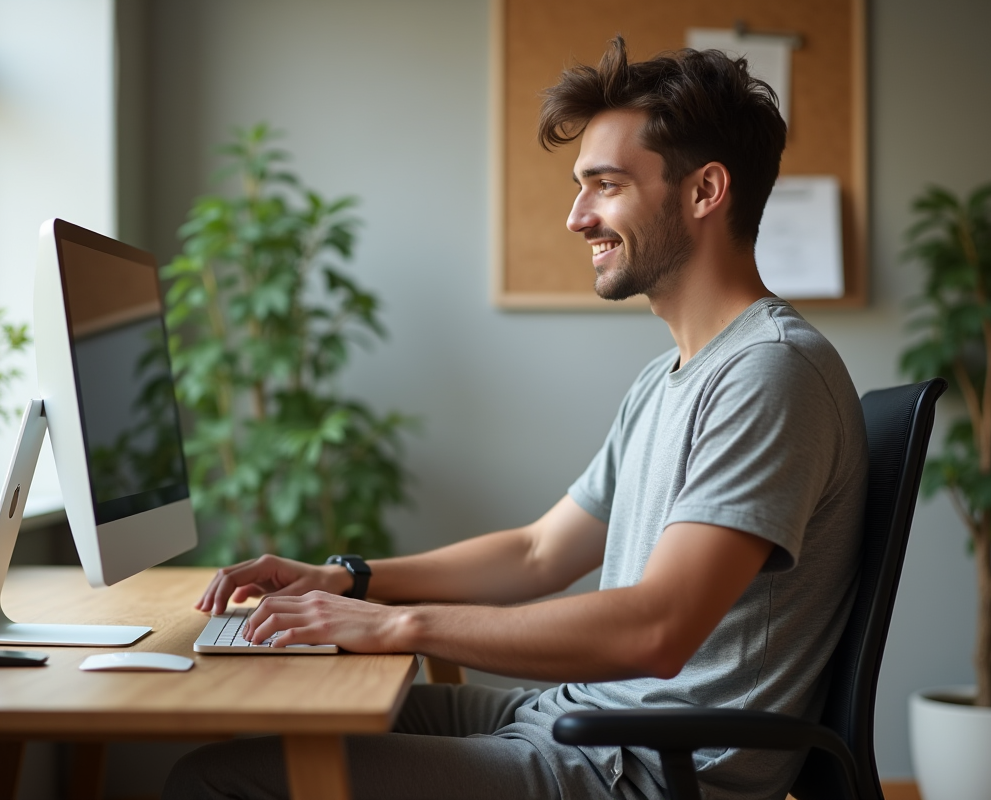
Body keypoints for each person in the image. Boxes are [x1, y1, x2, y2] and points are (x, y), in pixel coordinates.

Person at [164, 37, 868, 800]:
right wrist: (350, 580)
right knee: (290, 710)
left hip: (643, 769)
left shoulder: (768, 373)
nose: (576, 218)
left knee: (215, 781)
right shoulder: (667, 380)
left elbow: (656, 630)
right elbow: (538, 553)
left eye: (606, 185)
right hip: (583, 722)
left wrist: (398, 624)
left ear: (705, 191)